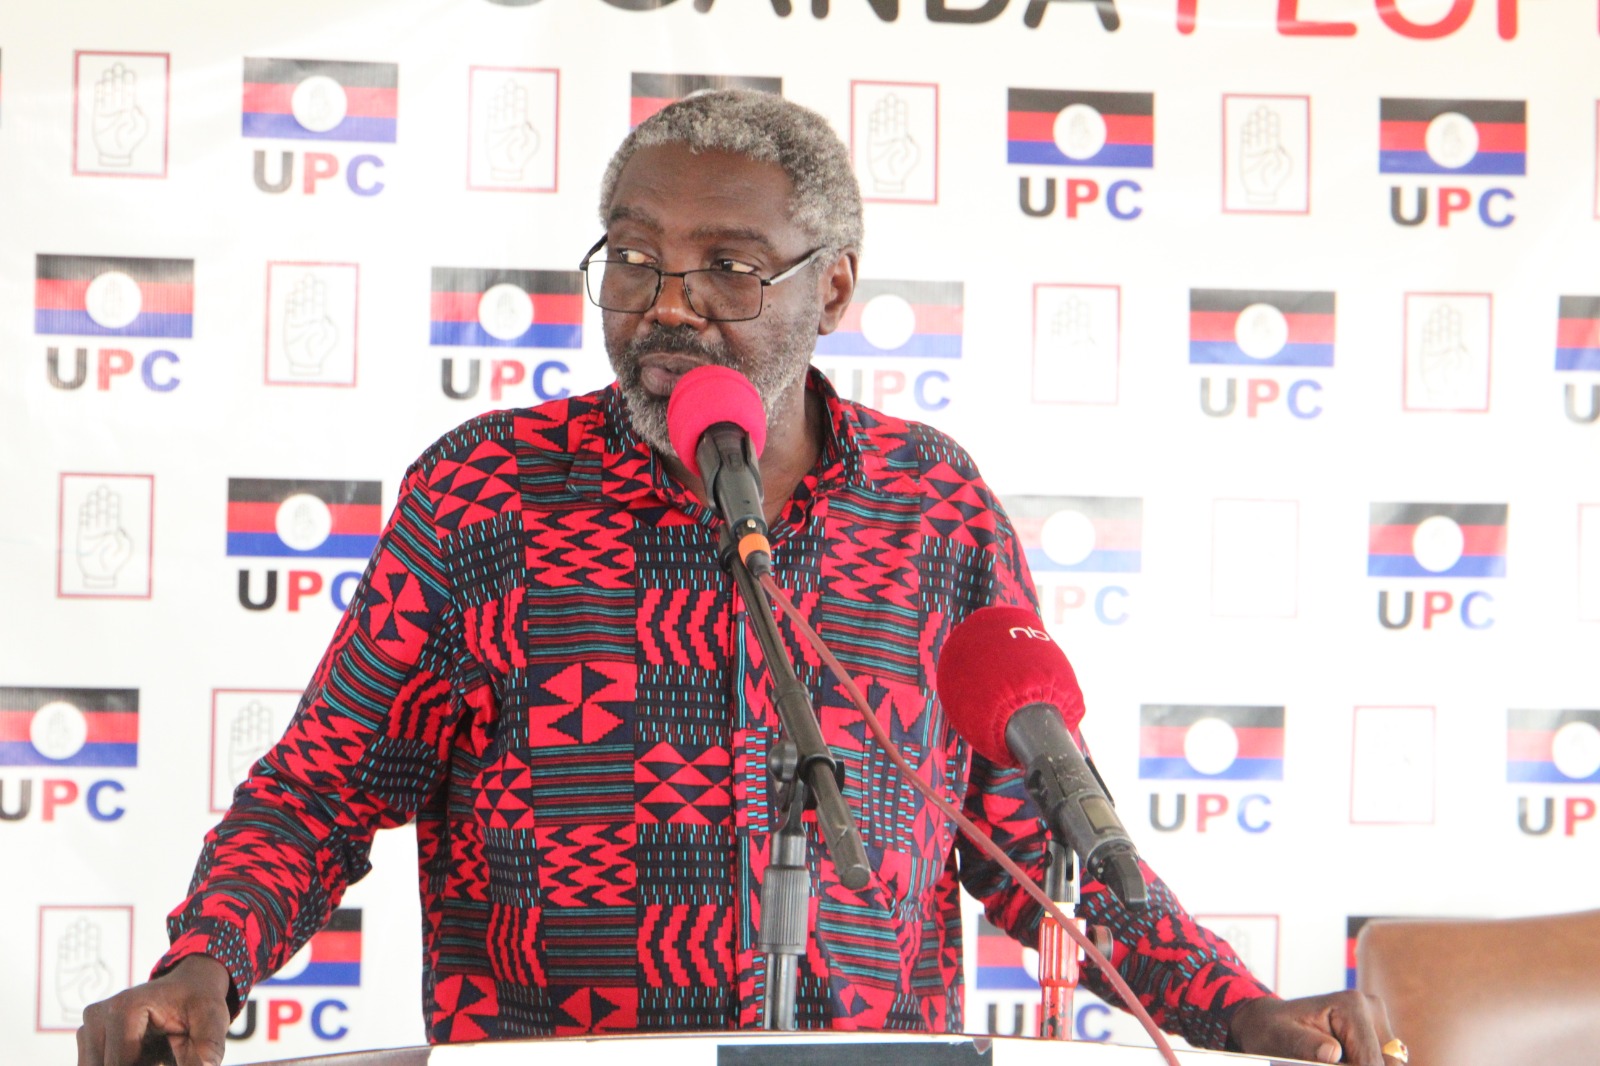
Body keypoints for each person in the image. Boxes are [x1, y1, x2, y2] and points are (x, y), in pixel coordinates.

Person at [77, 90, 1403, 1066]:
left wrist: (1233, 1008)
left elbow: (1035, 837)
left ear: (834, 290)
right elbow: (322, 787)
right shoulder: (484, 494)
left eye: (728, 266)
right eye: (634, 256)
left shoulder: (932, 508)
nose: (669, 301)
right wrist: (207, 960)